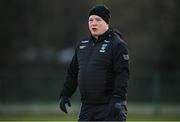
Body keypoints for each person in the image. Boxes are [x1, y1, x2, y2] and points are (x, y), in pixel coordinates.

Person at [59, 4, 130, 121]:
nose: (93, 23)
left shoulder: (117, 44)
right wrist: (65, 94)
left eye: (98, 20)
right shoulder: (82, 44)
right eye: (90, 20)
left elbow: (122, 74)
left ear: (107, 23)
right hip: (87, 107)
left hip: (109, 105)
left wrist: (118, 98)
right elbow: (73, 72)